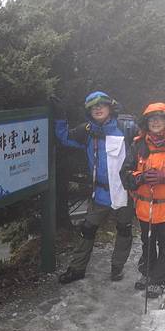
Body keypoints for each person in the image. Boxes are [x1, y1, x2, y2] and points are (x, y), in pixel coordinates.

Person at [54, 91, 135, 283]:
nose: (97, 109)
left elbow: (151, 137)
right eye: (92, 107)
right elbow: (64, 138)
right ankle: (77, 269)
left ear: (110, 107)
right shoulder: (87, 131)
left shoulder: (127, 128)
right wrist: (59, 115)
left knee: (124, 229)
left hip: (125, 191)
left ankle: (117, 267)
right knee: (87, 229)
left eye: (101, 105)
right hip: (100, 193)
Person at [119, 102, 165, 298]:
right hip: (145, 206)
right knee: (148, 241)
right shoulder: (138, 145)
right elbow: (125, 175)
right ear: (146, 123)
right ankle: (147, 273)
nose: (155, 122)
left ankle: (158, 279)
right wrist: (141, 177)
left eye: (159, 119)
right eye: (151, 119)